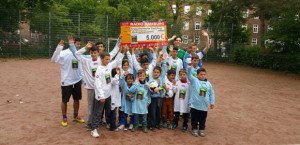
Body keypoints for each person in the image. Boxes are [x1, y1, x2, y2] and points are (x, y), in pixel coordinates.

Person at [89, 46, 126, 138]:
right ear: (101, 59)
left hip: (108, 95)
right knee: (97, 113)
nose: (108, 61)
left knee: (109, 111)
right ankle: (94, 129)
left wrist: (122, 51)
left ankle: (109, 124)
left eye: (109, 59)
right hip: (101, 96)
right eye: (106, 59)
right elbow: (97, 84)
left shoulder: (109, 66)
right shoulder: (99, 70)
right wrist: (101, 96)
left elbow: (117, 60)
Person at [50, 37, 85, 127]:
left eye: (79, 44)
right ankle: (64, 117)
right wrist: (59, 47)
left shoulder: (79, 54)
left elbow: (81, 67)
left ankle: (75, 115)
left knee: (77, 99)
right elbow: (53, 59)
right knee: (64, 100)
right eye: (77, 44)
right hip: (66, 81)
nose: (78, 46)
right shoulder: (64, 53)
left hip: (77, 81)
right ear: (72, 44)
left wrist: (82, 78)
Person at [75, 41, 100, 126]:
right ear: (90, 53)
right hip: (90, 88)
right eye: (92, 52)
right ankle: (89, 122)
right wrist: (86, 47)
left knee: (99, 106)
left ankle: (97, 122)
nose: (93, 54)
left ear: (98, 53)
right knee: (90, 106)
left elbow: (112, 55)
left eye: (95, 53)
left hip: (100, 88)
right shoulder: (86, 61)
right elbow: (77, 54)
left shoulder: (102, 61)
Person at [187, 66, 215, 137]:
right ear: (197, 75)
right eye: (201, 74)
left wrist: (212, 102)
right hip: (194, 105)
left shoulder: (208, 84)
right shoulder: (194, 80)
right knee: (194, 119)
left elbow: (212, 93)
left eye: (204, 74)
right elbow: (189, 75)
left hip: (204, 106)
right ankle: (194, 129)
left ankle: (202, 129)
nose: (203, 76)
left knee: (203, 119)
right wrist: (190, 67)